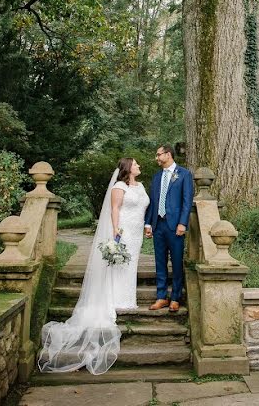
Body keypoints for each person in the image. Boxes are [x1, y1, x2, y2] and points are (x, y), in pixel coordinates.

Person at [37, 157, 149, 374]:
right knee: (119, 263)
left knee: (130, 263)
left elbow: (144, 208)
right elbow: (114, 209)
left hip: (137, 232)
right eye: (135, 164)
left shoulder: (141, 186)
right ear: (128, 168)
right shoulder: (118, 187)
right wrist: (116, 230)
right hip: (124, 229)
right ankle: (116, 299)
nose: (138, 166)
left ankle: (128, 298)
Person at [145, 145, 193, 312]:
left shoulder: (184, 174)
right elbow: (153, 201)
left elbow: (187, 202)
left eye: (158, 155)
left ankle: (175, 298)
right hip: (158, 225)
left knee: (177, 262)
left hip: (175, 226)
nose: (156, 158)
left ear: (168, 154)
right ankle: (161, 297)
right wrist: (148, 223)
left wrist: (183, 223)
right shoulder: (157, 177)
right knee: (160, 262)